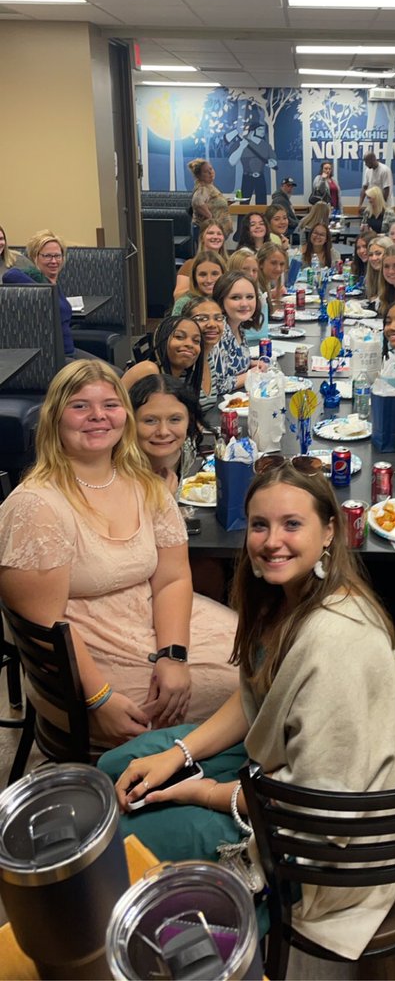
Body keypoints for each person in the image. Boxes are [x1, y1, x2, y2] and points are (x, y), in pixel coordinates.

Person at [99, 462, 395, 959]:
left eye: (292, 524)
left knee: (126, 838)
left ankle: (201, 920)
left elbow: (317, 803)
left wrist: (204, 794)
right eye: (260, 525)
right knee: (113, 769)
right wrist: (179, 753)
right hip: (279, 771)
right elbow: (255, 699)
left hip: (320, 847)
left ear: (329, 530)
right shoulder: (283, 598)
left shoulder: (336, 643)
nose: (272, 541)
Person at [0, 360, 239, 744]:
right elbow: (47, 627)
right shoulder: (37, 506)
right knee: (250, 692)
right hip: (83, 662)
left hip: (147, 620)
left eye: (110, 405)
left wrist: (173, 655)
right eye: (80, 406)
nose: (98, 416)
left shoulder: (145, 485)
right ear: (54, 419)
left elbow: (173, 579)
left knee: (268, 660)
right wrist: (98, 699)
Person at [3, 230, 98, 362]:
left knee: (118, 374)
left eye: (57, 256)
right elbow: (10, 275)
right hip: (55, 357)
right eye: (47, 256)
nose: (54, 261)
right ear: (35, 257)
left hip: (70, 350)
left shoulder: (53, 281)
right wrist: (44, 291)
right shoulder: (37, 279)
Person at [130, 373, 201, 496]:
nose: (163, 432)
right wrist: (163, 502)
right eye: (150, 420)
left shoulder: (187, 449)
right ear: (130, 422)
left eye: (175, 419)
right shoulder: (119, 471)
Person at [123, 314, 204, 404]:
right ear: (162, 339)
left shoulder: (185, 376)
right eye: (179, 337)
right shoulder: (149, 370)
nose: (190, 344)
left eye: (196, 341)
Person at [173, 296, 225, 430]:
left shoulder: (208, 358)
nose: (212, 324)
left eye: (218, 318)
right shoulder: (183, 362)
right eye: (202, 319)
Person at [213, 271, 263, 394]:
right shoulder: (218, 332)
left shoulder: (238, 325)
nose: (244, 304)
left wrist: (250, 363)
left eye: (250, 297)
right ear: (221, 302)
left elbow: (230, 362)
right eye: (236, 297)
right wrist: (251, 374)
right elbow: (217, 385)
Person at [174, 220, 228, 302]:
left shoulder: (230, 263)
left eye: (219, 234)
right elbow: (178, 296)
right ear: (202, 237)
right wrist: (200, 288)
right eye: (210, 233)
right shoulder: (189, 264)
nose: (215, 236)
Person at [228, 123, 277, 205]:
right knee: (244, 204)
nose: (262, 132)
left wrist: (272, 162)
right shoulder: (242, 143)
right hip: (247, 177)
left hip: (260, 177)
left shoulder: (265, 145)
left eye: (263, 130)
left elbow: (273, 159)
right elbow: (232, 161)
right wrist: (241, 147)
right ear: (252, 131)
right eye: (260, 129)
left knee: (261, 204)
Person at [171, 251, 224, 315]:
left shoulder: (228, 300)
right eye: (203, 275)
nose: (209, 280)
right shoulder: (183, 303)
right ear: (194, 277)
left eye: (215, 274)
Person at [188, 159, 228, 237]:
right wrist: (211, 218)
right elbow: (197, 202)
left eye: (211, 169)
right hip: (206, 230)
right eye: (206, 172)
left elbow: (211, 202)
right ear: (199, 176)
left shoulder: (209, 186)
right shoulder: (202, 188)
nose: (211, 172)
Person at [257, 242, 287, 311]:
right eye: (273, 263)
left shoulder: (267, 283)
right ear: (261, 263)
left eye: (282, 264)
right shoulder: (257, 290)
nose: (278, 268)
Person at [364, 235, 392, 303]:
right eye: (370, 255)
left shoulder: (393, 279)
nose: (374, 258)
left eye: (378, 253)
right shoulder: (373, 277)